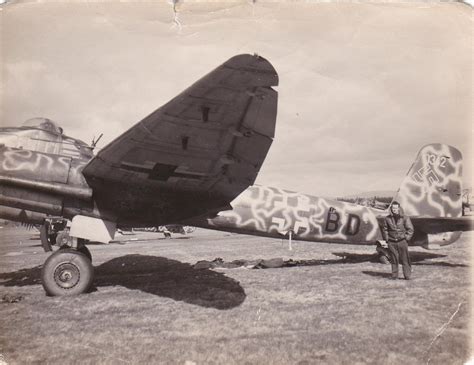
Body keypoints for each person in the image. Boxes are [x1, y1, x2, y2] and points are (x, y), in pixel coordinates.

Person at [382, 201, 414, 280]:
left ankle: (407, 276)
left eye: (396, 208)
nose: (394, 210)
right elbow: (385, 229)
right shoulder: (387, 218)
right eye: (393, 208)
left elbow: (410, 229)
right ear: (391, 209)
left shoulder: (405, 218)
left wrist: (406, 238)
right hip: (392, 242)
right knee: (394, 259)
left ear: (399, 208)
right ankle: (394, 276)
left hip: (402, 241)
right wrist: (387, 239)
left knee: (405, 259)